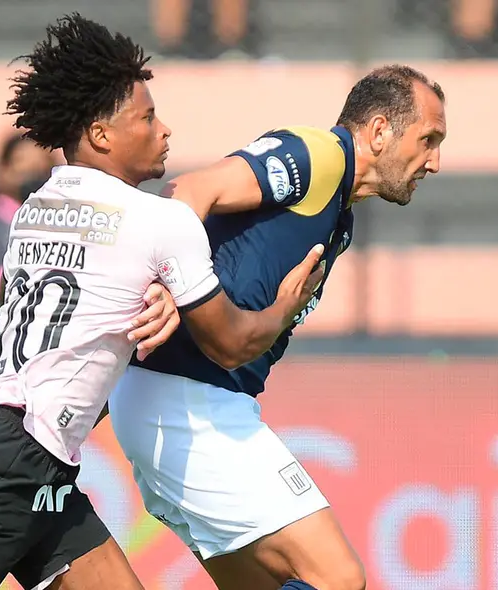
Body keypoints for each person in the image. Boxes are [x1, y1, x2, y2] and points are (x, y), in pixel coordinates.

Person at [0, 13, 324, 590]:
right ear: (102, 134)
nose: (165, 130)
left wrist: (161, 302)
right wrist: (288, 304)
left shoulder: (34, 210)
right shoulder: (161, 221)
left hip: (30, 454)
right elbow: (232, 344)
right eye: (148, 116)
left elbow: (89, 316)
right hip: (9, 455)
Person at [109, 64, 447, 590]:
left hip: (181, 403)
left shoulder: (338, 215)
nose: (436, 161)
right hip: (188, 404)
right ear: (380, 131)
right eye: (428, 139)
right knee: (338, 577)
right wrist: (167, 281)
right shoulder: (319, 156)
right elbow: (193, 190)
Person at [0, 133, 57, 339]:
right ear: (3, 172)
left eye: (42, 166)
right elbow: (6, 290)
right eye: (22, 164)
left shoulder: (60, 221)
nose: (33, 173)